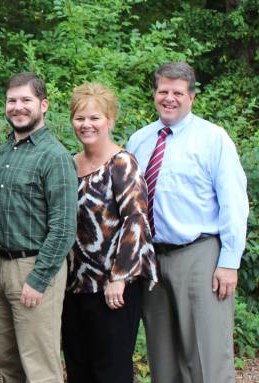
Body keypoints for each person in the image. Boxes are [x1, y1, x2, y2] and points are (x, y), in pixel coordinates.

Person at [127, 62, 248, 383]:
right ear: (154, 94)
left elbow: (234, 203)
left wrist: (229, 262)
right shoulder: (139, 140)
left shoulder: (212, 139)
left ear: (191, 97)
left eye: (177, 92)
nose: (169, 98)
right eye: (163, 91)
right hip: (151, 261)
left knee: (205, 358)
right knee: (163, 359)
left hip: (199, 256)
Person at [0, 72, 77, 383]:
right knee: (7, 363)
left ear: (44, 105)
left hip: (35, 267)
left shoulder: (56, 156)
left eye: (26, 100)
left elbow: (64, 226)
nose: (18, 107)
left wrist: (38, 279)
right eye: (12, 100)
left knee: (40, 369)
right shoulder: (3, 153)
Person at [61, 83, 158, 383]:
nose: (86, 125)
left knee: (111, 372)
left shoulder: (122, 162)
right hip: (73, 287)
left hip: (114, 288)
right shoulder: (69, 164)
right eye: (80, 118)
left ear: (110, 120)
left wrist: (119, 277)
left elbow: (136, 220)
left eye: (94, 118)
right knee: (79, 370)